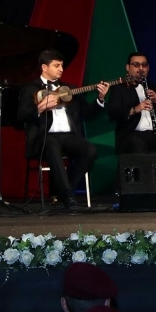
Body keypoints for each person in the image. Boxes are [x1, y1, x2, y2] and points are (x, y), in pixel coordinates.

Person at [17, 49, 109, 210]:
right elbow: (20, 116)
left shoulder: (69, 89)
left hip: (68, 137)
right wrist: (40, 108)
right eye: (57, 65)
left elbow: (87, 113)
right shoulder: (30, 89)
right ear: (44, 67)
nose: (61, 69)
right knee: (52, 144)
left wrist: (100, 98)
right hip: (43, 137)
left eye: (62, 65)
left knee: (90, 150)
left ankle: (65, 191)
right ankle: (67, 196)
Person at [107, 52, 156, 170]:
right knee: (139, 146)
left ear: (148, 68)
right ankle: (146, 181)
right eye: (136, 65)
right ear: (128, 67)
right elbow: (112, 113)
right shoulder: (119, 88)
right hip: (132, 134)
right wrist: (135, 109)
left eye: (144, 65)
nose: (141, 69)